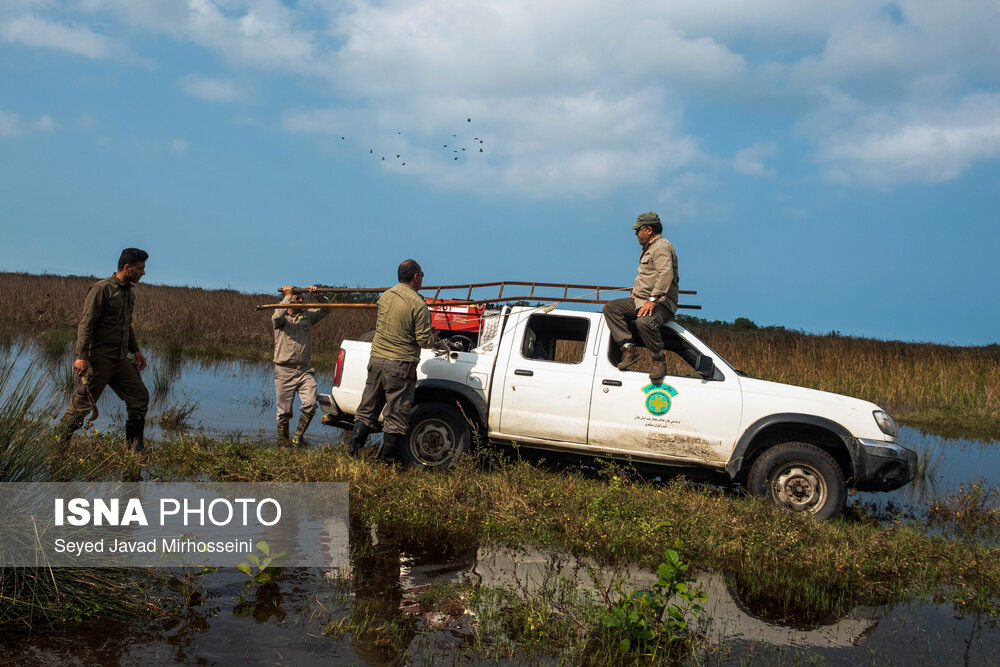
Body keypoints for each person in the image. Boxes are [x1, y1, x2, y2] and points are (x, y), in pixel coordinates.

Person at [55, 248, 150, 451]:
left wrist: (136, 350)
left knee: (139, 397)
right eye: (140, 268)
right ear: (127, 267)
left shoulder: (129, 293)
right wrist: (82, 357)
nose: (143, 272)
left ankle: (135, 449)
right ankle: (57, 448)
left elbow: (127, 324)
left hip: (121, 359)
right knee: (81, 407)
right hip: (99, 360)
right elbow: (86, 323)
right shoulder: (102, 289)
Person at [348, 259, 433, 462]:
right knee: (395, 415)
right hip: (400, 366)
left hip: (376, 361)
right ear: (416, 277)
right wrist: (434, 337)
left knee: (367, 409)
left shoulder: (385, 297)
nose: (422, 279)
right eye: (422, 275)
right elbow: (424, 341)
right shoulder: (418, 304)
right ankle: (389, 464)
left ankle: (352, 453)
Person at [602, 211, 679, 382]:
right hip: (641, 300)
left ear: (649, 229)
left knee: (645, 322)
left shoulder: (661, 247)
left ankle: (658, 360)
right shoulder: (649, 248)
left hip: (662, 303)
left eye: (638, 230)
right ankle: (629, 349)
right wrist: (635, 293)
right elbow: (647, 276)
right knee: (611, 308)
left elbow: (665, 274)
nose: (636, 234)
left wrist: (653, 300)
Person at [272, 285, 331, 445]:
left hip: (304, 370)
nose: (301, 299)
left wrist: (318, 296)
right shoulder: (281, 319)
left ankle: (297, 437)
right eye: (297, 297)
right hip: (284, 370)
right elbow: (276, 317)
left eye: (301, 297)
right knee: (284, 412)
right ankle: (283, 442)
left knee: (310, 404)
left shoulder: (307, 316)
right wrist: (287, 296)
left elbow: (326, 309)